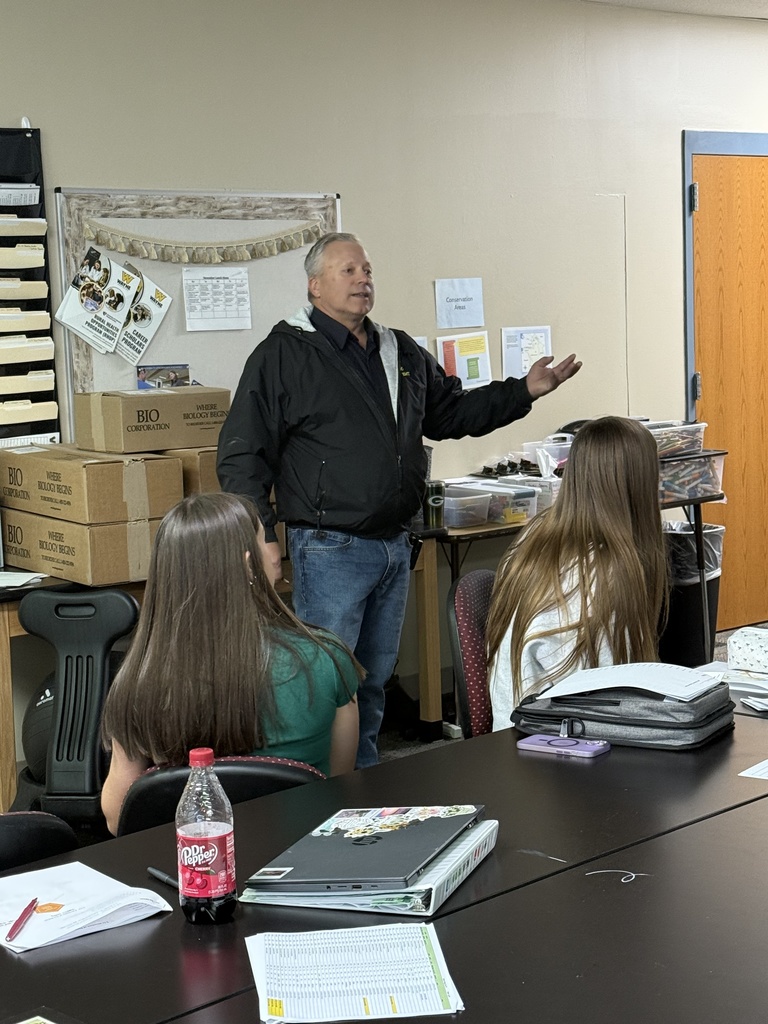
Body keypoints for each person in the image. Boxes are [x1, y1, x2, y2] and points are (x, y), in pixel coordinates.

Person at [217, 231, 581, 768]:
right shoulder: (282, 355)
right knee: (328, 682)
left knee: (373, 681)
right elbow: (242, 455)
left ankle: (361, 785)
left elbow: (450, 413)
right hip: (329, 547)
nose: (364, 279)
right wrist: (262, 535)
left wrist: (522, 391)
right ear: (315, 286)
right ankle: (317, 791)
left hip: (394, 544)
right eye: (348, 271)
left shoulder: (398, 349)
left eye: (367, 270)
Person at [100, 492, 361, 835]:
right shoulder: (327, 657)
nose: (272, 554)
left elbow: (119, 817)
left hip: (190, 874)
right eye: (264, 539)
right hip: (302, 861)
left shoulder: (139, 680)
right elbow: (338, 786)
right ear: (246, 563)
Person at [486, 416, 669, 730]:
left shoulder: (535, 535)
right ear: (639, 484)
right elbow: (617, 700)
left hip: (513, 736)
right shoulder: (609, 569)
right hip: (557, 746)